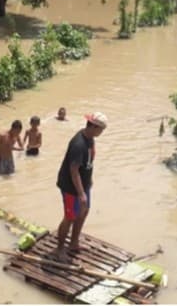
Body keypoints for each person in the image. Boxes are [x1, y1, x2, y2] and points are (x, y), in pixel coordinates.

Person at [51, 112, 107, 262]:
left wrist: (89, 180)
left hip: (84, 184)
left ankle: (74, 243)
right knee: (70, 217)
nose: (102, 132)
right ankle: (59, 248)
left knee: (84, 212)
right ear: (94, 127)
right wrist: (81, 193)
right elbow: (73, 170)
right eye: (101, 129)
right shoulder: (78, 143)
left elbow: (88, 163)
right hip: (71, 187)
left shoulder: (91, 139)